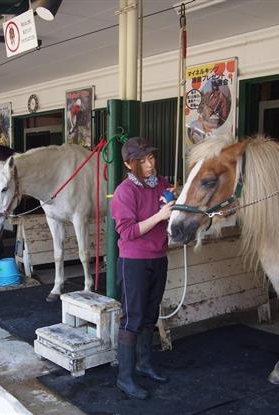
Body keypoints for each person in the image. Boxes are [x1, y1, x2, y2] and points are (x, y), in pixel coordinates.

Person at [110, 137, 175, 399]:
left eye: (151, 158)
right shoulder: (125, 192)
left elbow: (169, 209)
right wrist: (159, 216)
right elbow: (127, 232)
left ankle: (144, 364)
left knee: (150, 313)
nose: (149, 164)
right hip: (134, 261)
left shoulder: (161, 184)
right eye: (142, 161)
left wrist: (173, 200)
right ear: (128, 164)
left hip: (159, 257)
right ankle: (124, 378)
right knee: (133, 317)